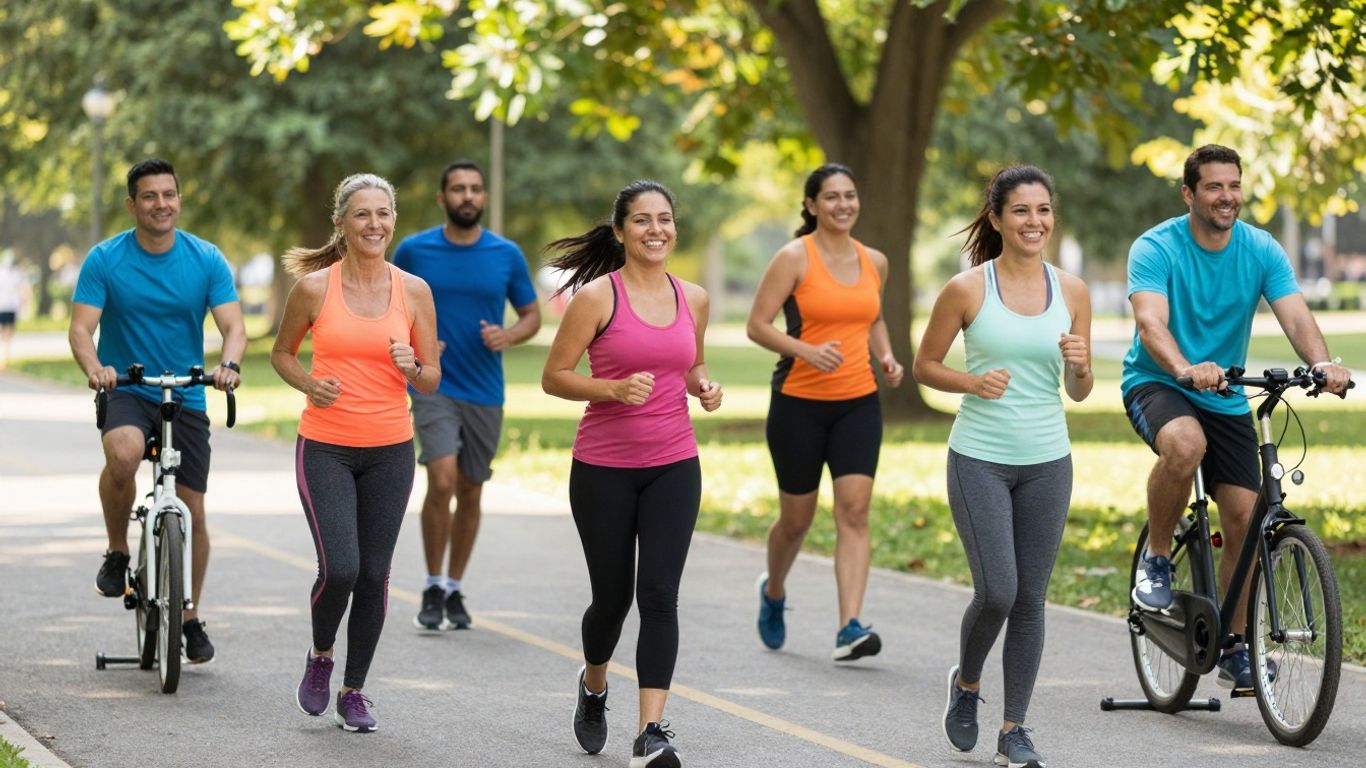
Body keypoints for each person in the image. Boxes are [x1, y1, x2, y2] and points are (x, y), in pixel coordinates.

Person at [1123, 144, 1350, 692]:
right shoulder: (1156, 246)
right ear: (1189, 193)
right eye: (1213, 187)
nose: (1226, 197)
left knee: (1247, 520)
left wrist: (1319, 363)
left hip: (1225, 392)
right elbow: (1151, 323)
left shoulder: (1260, 248)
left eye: (1233, 186)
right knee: (1184, 444)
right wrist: (1183, 367)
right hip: (1159, 380)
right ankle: (1156, 559)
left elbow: (1294, 312)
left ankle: (1233, 644)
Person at [913, 166, 1091, 768]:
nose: (1034, 221)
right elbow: (925, 366)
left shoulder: (1073, 292)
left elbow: (1079, 391)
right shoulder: (966, 290)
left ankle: (1014, 729)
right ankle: (966, 685)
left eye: (1043, 210)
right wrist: (972, 381)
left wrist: (1083, 363)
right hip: (980, 458)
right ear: (996, 218)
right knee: (998, 592)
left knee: (1032, 600)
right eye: (1021, 211)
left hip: (1048, 460)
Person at [542, 180, 721, 767]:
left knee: (660, 596)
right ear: (619, 232)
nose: (656, 230)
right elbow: (555, 377)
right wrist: (612, 389)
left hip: (674, 463)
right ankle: (594, 685)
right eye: (641, 221)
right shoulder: (597, 297)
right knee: (611, 600)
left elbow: (690, 366)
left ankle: (652, 731)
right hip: (603, 470)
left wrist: (705, 385)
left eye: (664, 219)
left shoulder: (692, 297)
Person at [270, 173, 440, 733]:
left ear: (394, 219)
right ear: (340, 223)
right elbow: (282, 354)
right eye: (362, 214)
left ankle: (355, 690)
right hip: (326, 447)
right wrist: (308, 385)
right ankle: (322, 655)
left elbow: (432, 377)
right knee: (341, 567)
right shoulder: (316, 288)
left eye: (383, 213)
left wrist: (413, 368)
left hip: (391, 449)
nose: (375, 224)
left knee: (375, 575)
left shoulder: (413, 290)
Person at [69, 158, 245, 665]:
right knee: (123, 454)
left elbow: (234, 326)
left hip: (186, 390)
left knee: (193, 507)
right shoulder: (106, 259)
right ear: (132, 205)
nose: (161, 204)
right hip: (128, 384)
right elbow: (81, 329)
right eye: (150, 196)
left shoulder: (205, 258)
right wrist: (96, 366)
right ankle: (117, 551)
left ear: (179, 200)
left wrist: (228, 365)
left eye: (169, 194)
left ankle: (188, 616)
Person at [744, 163, 904, 661]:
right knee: (797, 520)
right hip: (798, 404)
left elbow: (872, 315)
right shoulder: (793, 257)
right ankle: (774, 591)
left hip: (858, 402)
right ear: (812, 205)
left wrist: (887, 354)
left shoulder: (873, 260)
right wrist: (804, 350)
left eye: (850, 196)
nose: (843, 205)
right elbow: (757, 324)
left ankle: (849, 626)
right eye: (831, 197)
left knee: (854, 512)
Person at [393, 160, 540, 632]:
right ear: (443, 199)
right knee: (441, 479)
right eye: (458, 189)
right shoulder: (414, 250)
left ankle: (455, 588)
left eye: (475, 189)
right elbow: (384, 304)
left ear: (484, 197)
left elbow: (532, 314)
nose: (468, 196)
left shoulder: (506, 254)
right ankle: (433, 583)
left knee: (471, 488)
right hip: (433, 383)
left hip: (484, 388)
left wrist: (509, 336)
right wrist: (415, 342)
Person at [0, 253, 29, 370]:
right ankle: (5, 357)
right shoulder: (17, 274)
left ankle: (3, 357)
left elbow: (24, 289)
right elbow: (25, 289)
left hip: (4, 306)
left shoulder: (3, 273)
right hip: (10, 307)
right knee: (8, 334)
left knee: (4, 333)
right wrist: (23, 304)